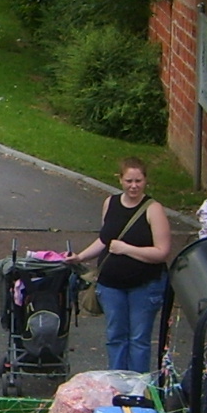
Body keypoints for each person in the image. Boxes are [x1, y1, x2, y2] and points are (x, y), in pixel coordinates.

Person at [71, 157, 173, 375]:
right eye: (129, 181)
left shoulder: (153, 210)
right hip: (110, 286)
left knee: (138, 339)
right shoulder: (110, 203)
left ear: (145, 180)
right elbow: (105, 240)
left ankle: (138, 387)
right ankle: (117, 384)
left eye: (138, 181)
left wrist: (127, 249)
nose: (134, 186)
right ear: (120, 180)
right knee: (115, 337)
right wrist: (80, 257)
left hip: (144, 286)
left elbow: (161, 252)